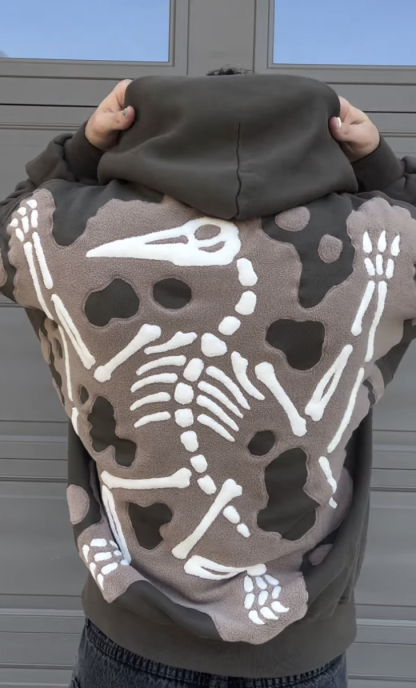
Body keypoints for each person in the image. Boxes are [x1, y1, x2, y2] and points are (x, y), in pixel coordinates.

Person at [0, 70, 414, 688]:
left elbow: (13, 220)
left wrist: (83, 148)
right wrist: (378, 164)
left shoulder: (71, 235)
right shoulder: (381, 241)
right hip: (300, 648)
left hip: (132, 638)